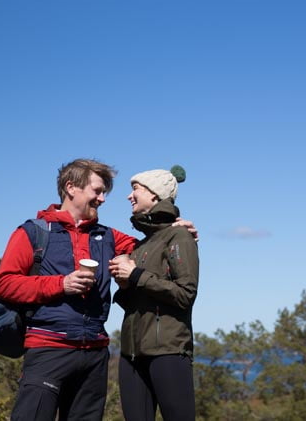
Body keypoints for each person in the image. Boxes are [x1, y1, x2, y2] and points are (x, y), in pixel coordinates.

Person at [0, 159, 196, 421]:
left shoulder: (109, 236)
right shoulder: (33, 233)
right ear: (71, 188)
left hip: (95, 357)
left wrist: (176, 229)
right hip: (48, 350)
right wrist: (61, 283)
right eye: (97, 191)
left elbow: (153, 246)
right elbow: (4, 284)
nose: (102, 199)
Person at [109, 165, 199, 421]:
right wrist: (125, 285)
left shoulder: (180, 236)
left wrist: (136, 275)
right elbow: (138, 302)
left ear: (155, 195)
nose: (129, 196)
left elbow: (185, 294)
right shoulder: (143, 244)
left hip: (168, 351)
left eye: (135, 189)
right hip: (131, 354)